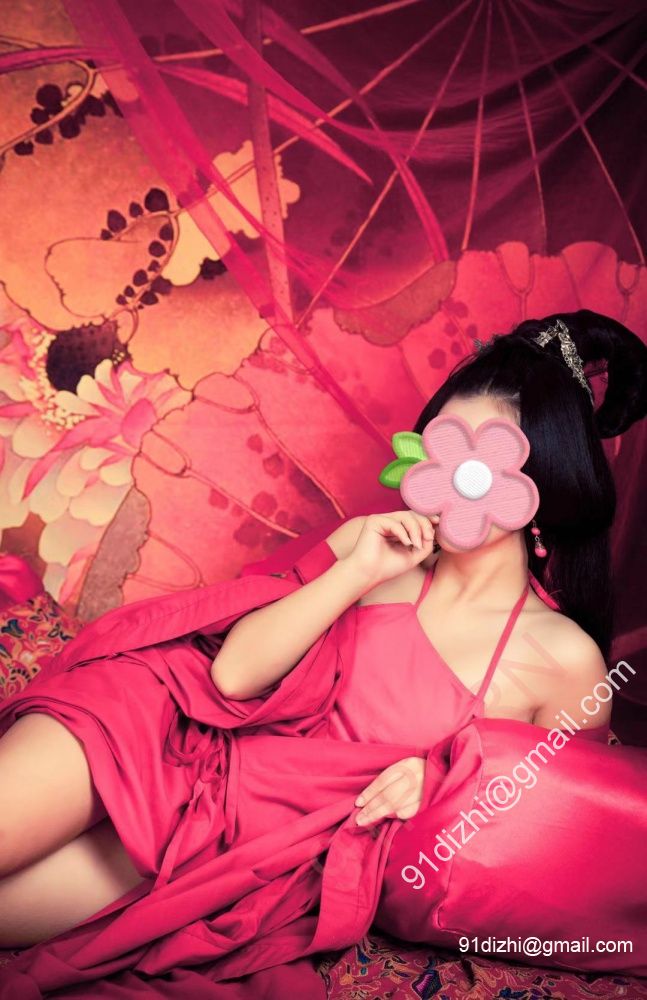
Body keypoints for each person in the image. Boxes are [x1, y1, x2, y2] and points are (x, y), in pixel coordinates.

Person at [0, 309, 645, 992]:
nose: (444, 479)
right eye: (435, 451)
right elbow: (232, 675)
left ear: (537, 486)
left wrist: (443, 784)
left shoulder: (565, 660)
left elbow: (556, 833)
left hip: (245, 837)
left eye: (475, 466)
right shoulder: (371, 551)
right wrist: (356, 571)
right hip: (163, 720)